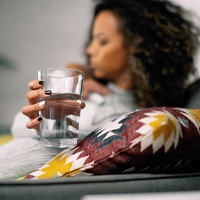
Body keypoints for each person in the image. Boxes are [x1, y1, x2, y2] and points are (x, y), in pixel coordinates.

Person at [1, 0, 200, 179]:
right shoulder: (85, 88)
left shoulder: (132, 114)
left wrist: (54, 130)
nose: (89, 50)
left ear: (138, 47)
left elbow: (103, 145)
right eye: (92, 40)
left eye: (102, 41)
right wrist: (40, 121)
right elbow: (18, 126)